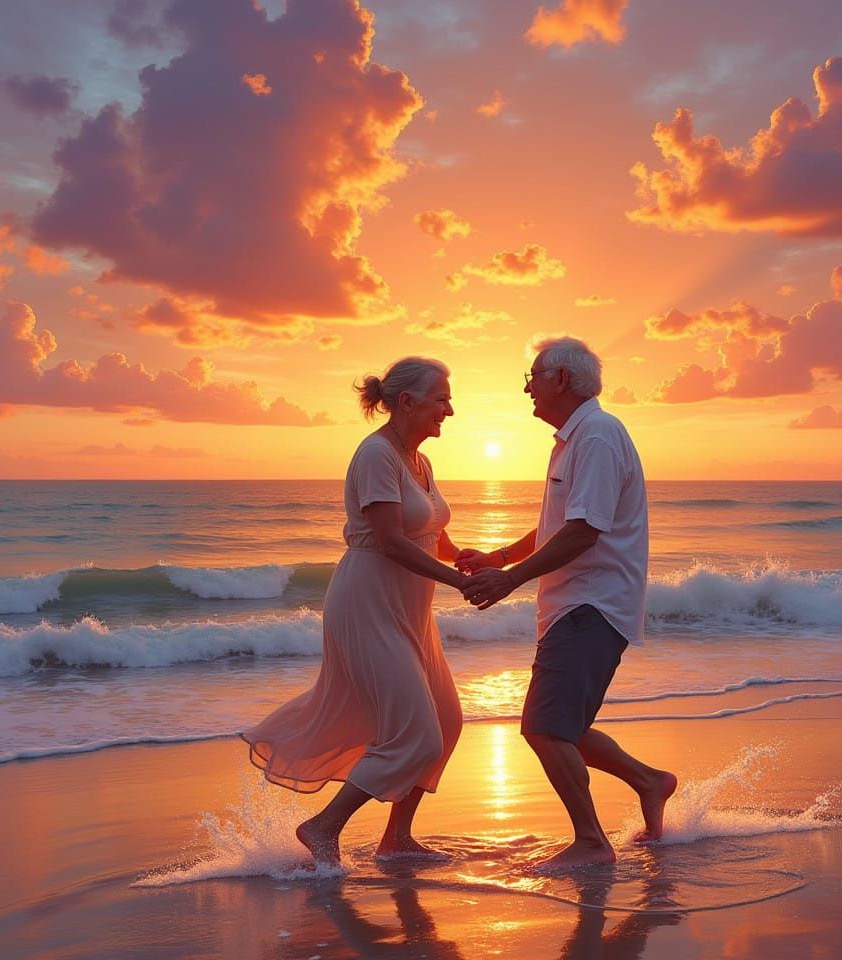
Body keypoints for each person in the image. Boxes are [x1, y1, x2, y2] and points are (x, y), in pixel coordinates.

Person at [457, 337, 677, 872]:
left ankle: (591, 841)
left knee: (543, 727)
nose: (527, 386)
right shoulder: (575, 438)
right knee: (566, 727)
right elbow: (560, 522)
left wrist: (508, 580)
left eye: (532, 375)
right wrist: (500, 554)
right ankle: (651, 782)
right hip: (576, 604)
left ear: (561, 379)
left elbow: (582, 532)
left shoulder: (597, 436)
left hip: (591, 603)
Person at [242, 357, 469, 867]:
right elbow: (389, 540)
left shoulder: (419, 462)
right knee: (416, 732)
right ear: (407, 402)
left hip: (412, 611)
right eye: (441, 399)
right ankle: (322, 828)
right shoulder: (376, 455)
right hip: (368, 603)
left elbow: (430, 532)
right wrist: (456, 581)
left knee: (447, 723)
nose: (450, 410)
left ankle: (397, 838)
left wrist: (472, 559)